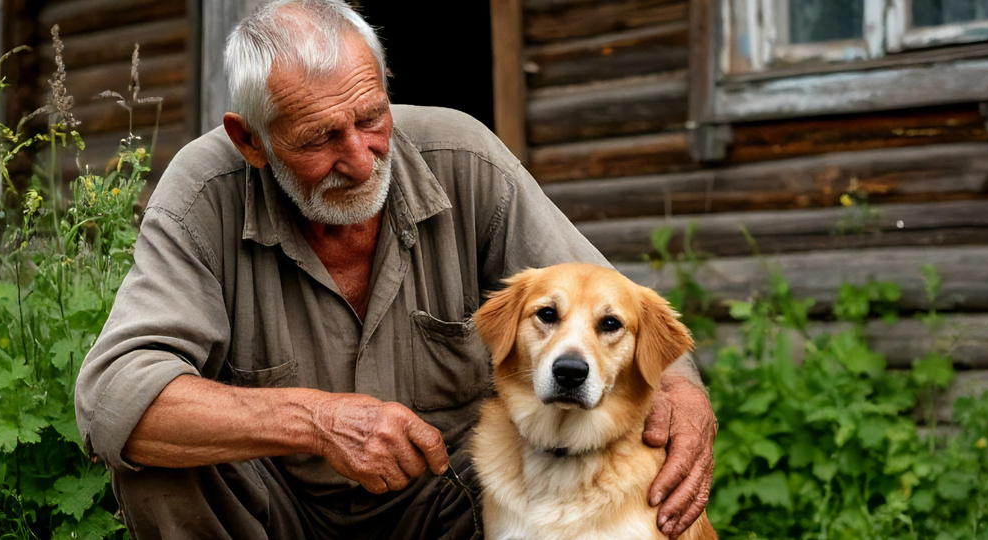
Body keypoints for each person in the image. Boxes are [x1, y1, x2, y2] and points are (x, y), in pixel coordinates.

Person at [74, 1, 717, 538]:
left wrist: (684, 393)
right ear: (251, 141)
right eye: (320, 139)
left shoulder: (463, 158)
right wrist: (315, 421)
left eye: (370, 117)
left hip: (446, 503)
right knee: (157, 457)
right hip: (278, 510)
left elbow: (613, 303)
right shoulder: (203, 192)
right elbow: (113, 396)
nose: (360, 158)